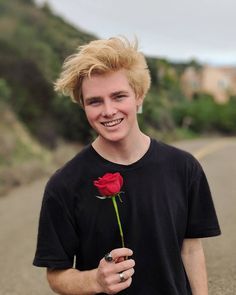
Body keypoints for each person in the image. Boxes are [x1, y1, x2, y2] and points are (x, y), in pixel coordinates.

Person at [33, 36, 221, 295]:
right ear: (83, 105)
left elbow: (191, 249)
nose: (108, 111)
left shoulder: (184, 168)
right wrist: (95, 281)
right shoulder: (63, 184)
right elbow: (56, 275)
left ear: (139, 96)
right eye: (95, 101)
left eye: (119, 96)